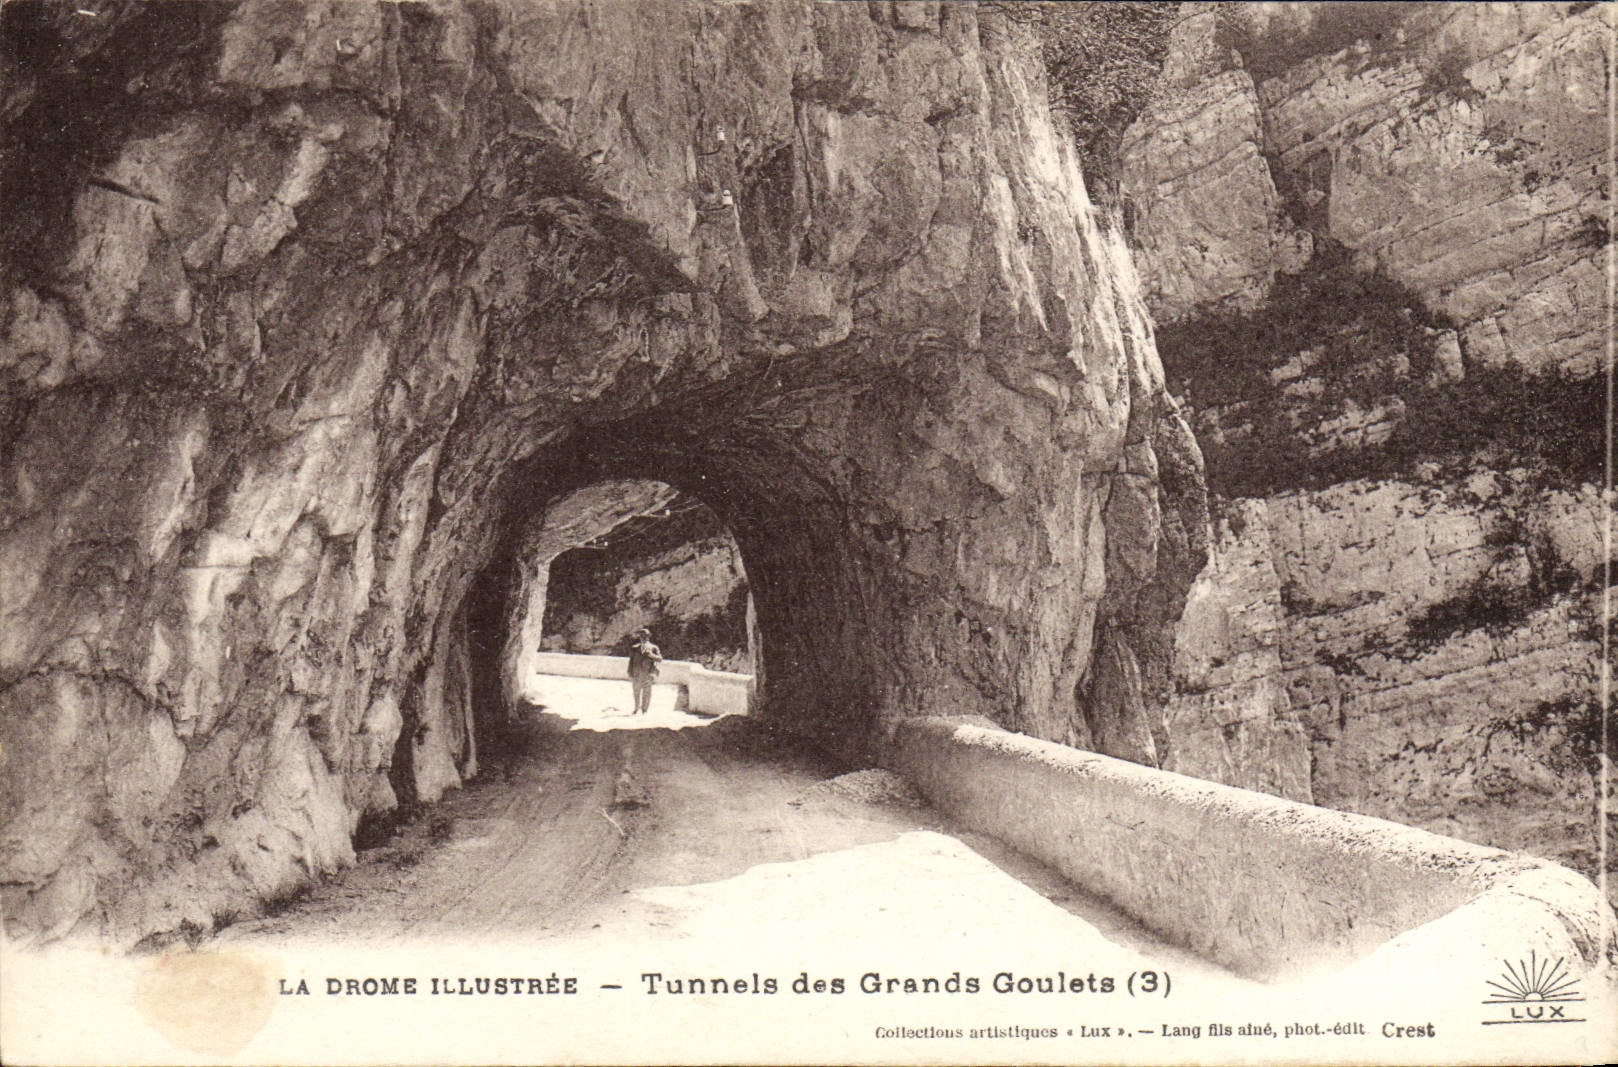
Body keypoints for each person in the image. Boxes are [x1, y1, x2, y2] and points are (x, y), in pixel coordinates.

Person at [626, 628, 662, 715]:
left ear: (648, 637)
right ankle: (636, 708)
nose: (643, 638)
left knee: (647, 692)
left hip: (647, 673)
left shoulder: (653, 647)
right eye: (641, 636)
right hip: (636, 673)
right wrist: (629, 671)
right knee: (636, 692)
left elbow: (660, 659)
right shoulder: (634, 648)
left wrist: (651, 655)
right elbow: (631, 661)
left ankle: (644, 710)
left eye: (645, 636)